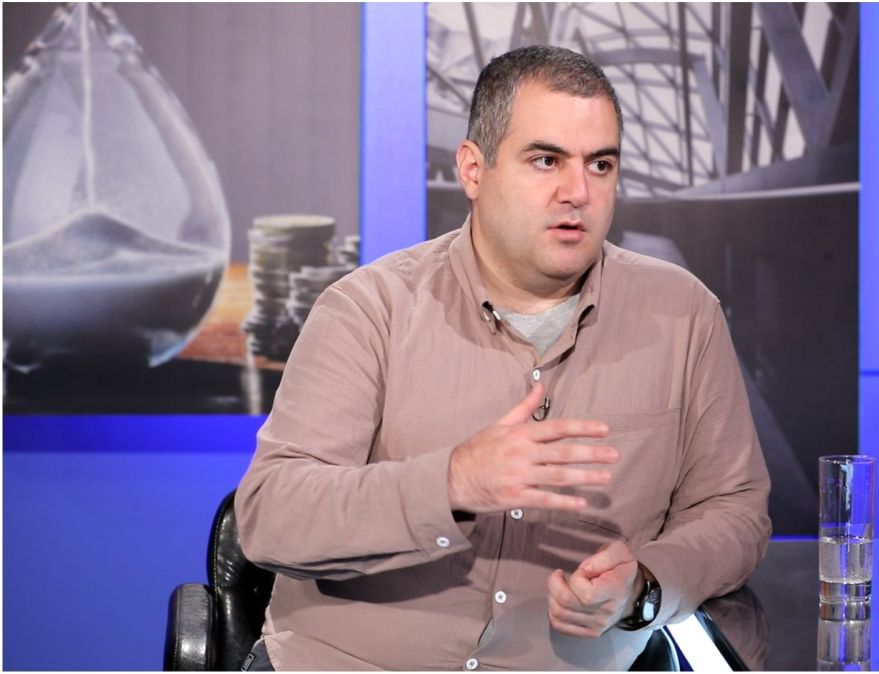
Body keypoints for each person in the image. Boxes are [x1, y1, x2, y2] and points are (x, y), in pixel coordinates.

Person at [235, 45, 771, 671]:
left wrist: (646, 586)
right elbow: (273, 515)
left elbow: (734, 511)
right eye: (546, 160)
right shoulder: (368, 309)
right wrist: (453, 481)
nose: (578, 192)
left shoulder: (685, 315)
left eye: (600, 165)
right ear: (473, 169)